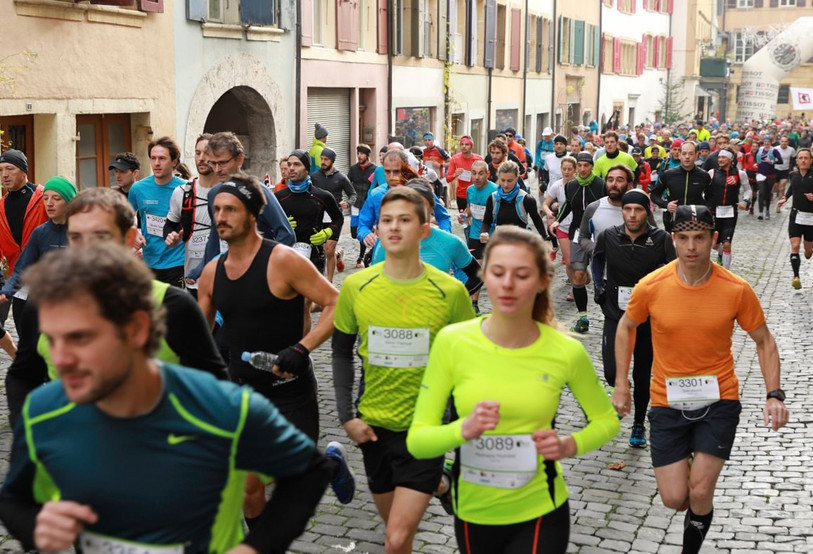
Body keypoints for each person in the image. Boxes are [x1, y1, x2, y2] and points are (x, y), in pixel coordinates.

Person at [0, 243, 338, 554]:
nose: (61, 359)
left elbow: (308, 473)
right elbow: (14, 499)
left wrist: (255, 546)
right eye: (53, 340)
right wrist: (35, 527)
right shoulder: (45, 410)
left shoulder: (214, 405)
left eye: (80, 338)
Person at [406, 226, 619, 554]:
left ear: (542, 281)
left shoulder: (565, 351)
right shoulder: (453, 342)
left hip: (539, 509)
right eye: (498, 272)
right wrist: (465, 428)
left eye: (521, 275)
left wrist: (567, 445)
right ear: (484, 275)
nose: (507, 285)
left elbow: (607, 421)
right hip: (473, 511)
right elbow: (418, 441)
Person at [613, 204, 789, 554]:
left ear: (714, 240)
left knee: (699, 492)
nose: (691, 247)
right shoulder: (652, 286)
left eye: (699, 238)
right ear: (674, 240)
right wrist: (622, 382)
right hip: (666, 400)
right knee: (674, 497)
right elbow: (626, 326)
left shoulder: (736, 289)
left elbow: (764, 340)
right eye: (683, 238)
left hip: (719, 400)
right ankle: (691, 467)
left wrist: (775, 394)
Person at [3, 187, 229, 427]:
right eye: (76, 237)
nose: (86, 248)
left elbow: (213, 386)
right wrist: (26, 431)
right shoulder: (42, 307)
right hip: (75, 454)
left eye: (100, 236)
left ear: (129, 239)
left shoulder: (172, 306)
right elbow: (22, 376)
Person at [332, 187, 475, 554]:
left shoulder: (450, 292)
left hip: (426, 429)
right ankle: (442, 486)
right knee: (398, 536)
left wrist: (459, 428)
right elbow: (342, 350)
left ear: (425, 229)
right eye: (387, 220)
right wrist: (348, 415)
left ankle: (440, 479)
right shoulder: (356, 286)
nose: (394, 228)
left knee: (395, 539)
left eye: (405, 220)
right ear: (377, 228)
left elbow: (467, 363)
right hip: (374, 427)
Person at [593, 189, 675, 448]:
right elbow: (597, 260)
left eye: (638, 210)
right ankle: (619, 386)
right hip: (616, 314)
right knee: (610, 370)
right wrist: (599, 287)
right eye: (627, 209)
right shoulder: (609, 236)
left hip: (648, 319)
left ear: (646, 212)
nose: (632, 214)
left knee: (642, 373)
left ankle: (639, 423)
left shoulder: (661, 239)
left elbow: (674, 270)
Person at [189, 132, 295, 282]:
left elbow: (287, 234)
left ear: (239, 159)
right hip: (229, 274)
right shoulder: (213, 194)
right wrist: (202, 268)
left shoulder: (256, 191)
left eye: (223, 163)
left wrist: (263, 265)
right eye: (213, 163)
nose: (217, 169)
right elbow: (215, 236)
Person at [276, 150, 344, 323]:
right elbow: (263, 226)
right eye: (289, 164)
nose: (291, 168)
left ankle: (302, 347)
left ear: (307, 169)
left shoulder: (322, 196)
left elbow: (338, 217)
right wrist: (281, 227)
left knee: (305, 304)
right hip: (284, 256)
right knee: (286, 303)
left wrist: (328, 233)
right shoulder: (278, 198)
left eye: (296, 164)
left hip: (313, 256)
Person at [0, 176, 75, 312]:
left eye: (56, 199)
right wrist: (6, 291)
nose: (49, 203)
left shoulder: (82, 232)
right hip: (44, 305)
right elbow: (21, 269)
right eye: (45, 198)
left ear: (69, 202)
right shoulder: (40, 233)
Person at [550, 153, 606, 334]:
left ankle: (609, 309)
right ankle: (583, 316)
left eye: (586, 166)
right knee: (578, 273)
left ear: (591, 166)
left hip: (600, 234)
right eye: (580, 165)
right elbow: (568, 204)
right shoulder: (572, 185)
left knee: (605, 276)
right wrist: (558, 220)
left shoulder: (601, 184)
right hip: (578, 233)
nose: (582, 169)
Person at [358, 149, 451, 249]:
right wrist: (366, 235)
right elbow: (363, 225)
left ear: (405, 168)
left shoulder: (421, 190)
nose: (391, 176)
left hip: (420, 252)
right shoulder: (376, 195)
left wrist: (444, 237)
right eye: (387, 171)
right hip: (386, 253)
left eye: (396, 171)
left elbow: (443, 217)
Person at [128, 136, 186, 287]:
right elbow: (126, 217)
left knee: (174, 310)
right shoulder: (138, 189)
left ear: (174, 161)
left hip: (178, 262)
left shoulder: (186, 189)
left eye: (162, 158)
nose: (157, 163)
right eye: (153, 158)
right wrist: (134, 232)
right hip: (149, 262)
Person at [0, 149, 48, 330]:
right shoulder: (1, 206)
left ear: (23, 171)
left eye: (10, 169)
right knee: (25, 336)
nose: (4, 175)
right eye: (1, 170)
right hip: (19, 283)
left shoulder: (44, 198)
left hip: (47, 281)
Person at [163, 133, 216, 298]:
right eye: (197, 153)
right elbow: (169, 225)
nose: (201, 158)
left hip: (225, 278)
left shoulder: (229, 190)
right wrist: (171, 237)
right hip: (193, 280)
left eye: (206, 153)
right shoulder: (182, 193)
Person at [311, 147, 355, 281]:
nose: (323, 162)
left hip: (335, 216)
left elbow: (352, 194)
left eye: (326, 159)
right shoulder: (314, 177)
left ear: (332, 161)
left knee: (328, 249)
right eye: (322, 159)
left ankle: (329, 282)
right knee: (324, 249)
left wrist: (347, 203)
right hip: (318, 216)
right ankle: (337, 255)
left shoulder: (341, 177)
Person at [650, 141, 712, 233]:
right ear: (679, 155)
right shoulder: (668, 174)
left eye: (691, 154)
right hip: (673, 222)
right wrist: (666, 204)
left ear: (696, 156)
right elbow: (654, 194)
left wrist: (702, 210)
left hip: (696, 223)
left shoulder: (704, 176)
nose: (687, 157)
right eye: (684, 153)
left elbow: (711, 199)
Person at [706, 148, 750, 269]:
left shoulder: (740, 174)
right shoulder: (712, 173)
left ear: (730, 160)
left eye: (723, 158)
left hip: (731, 212)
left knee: (726, 244)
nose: (720, 160)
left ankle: (726, 272)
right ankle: (721, 253)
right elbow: (704, 190)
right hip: (714, 212)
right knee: (714, 244)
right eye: (719, 157)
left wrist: (745, 201)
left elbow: (748, 190)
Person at [776, 147, 813, 289]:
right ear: (797, 161)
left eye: (806, 158)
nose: (803, 160)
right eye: (800, 158)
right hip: (796, 215)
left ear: (811, 161)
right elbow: (792, 189)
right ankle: (796, 276)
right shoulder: (793, 175)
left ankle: (809, 251)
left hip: (811, 217)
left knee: (808, 251)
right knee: (795, 246)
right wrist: (784, 198)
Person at [543, 156, 577, 301]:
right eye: (564, 169)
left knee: (579, 260)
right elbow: (545, 203)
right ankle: (575, 289)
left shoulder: (579, 184)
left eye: (570, 169)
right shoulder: (557, 185)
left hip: (578, 226)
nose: (567, 172)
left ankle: (583, 276)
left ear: (575, 170)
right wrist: (550, 211)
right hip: (562, 226)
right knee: (569, 262)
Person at [348, 144, 377, 267]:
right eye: (358, 153)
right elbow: (347, 184)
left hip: (367, 205)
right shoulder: (354, 169)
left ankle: (361, 257)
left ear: (367, 155)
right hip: (355, 204)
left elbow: (377, 186)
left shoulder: (375, 169)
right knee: (354, 232)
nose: (359, 156)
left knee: (364, 229)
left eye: (362, 154)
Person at [446, 136, 484, 212]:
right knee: (463, 219)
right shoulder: (455, 158)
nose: (464, 146)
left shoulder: (479, 159)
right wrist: (455, 174)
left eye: (467, 144)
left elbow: (486, 176)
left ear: (471, 146)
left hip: (476, 193)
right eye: (462, 144)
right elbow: (448, 179)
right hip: (461, 195)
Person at [755, 137, 782, 220]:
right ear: (763, 142)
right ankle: (760, 213)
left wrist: (772, 161)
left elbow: (781, 161)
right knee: (761, 192)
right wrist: (755, 164)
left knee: (767, 193)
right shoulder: (759, 149)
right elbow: (754, 157)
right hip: (760, 174)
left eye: (768, 142)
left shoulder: (774, 150)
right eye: (765, 141)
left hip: (770, 175)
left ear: (770, 142)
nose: (766, 143)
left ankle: (767, 211)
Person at [774, 134, 796, 209]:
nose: (784, 143)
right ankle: (775, 193)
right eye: (782, 141)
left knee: (782, 187)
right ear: (780, 142)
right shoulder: (775, 149)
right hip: (776, 170)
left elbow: (794, 158)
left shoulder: (791, 150)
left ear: (788, 142)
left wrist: (794, 167)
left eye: (785, 141)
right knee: (775, 188)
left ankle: (779, 205)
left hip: (785, 170)